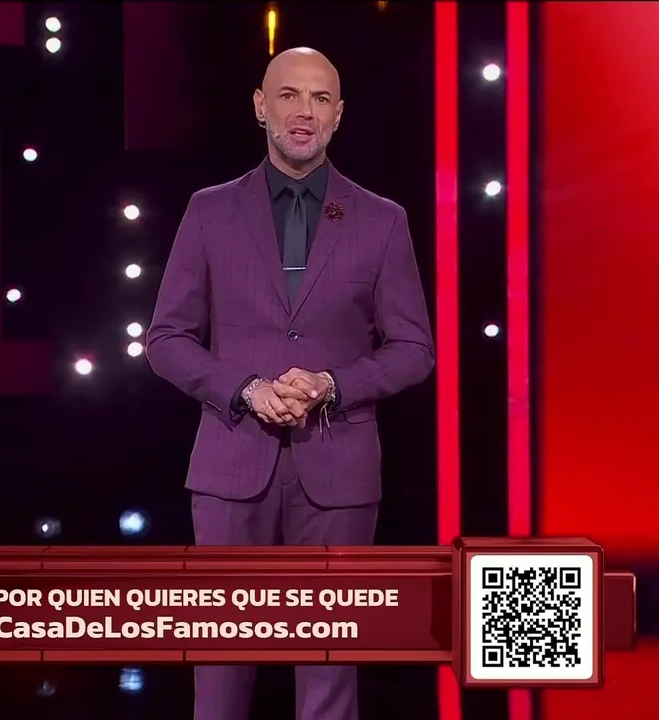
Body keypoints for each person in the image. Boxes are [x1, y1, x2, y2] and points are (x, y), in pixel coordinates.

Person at [146, 47, 434, 720]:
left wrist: (333, 383)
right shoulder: (210, 211)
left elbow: (414, 349)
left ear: (339, 115)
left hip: (339, 469)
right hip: (230, 465)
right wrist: (245, 388)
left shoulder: (382, 219)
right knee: (222, 667)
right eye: (289, 95)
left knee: (330, 668)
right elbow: (166, 339)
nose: (304, 112)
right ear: (259, 106)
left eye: (320, 99)